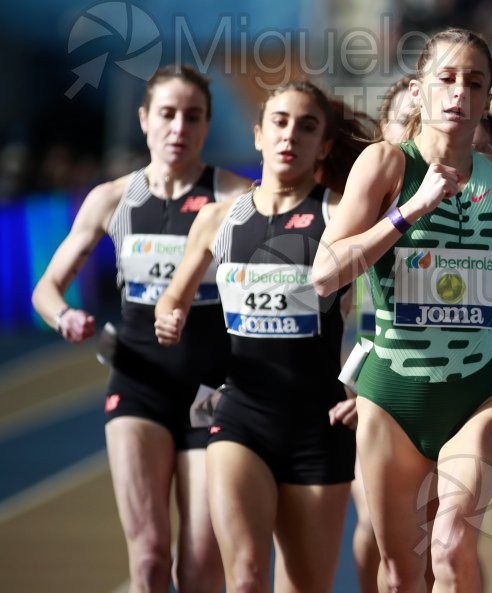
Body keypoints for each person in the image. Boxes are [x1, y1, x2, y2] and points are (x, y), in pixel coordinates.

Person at [311, 28, 492, 592]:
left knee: (452, 545)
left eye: (474, 83)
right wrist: (410, 211)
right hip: (393, 396)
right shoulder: (385, 164)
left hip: (478, 389)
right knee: (399, 573)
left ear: (486, 100)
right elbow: (324, 273)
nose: (460, 92)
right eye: (447, 79)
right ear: (420, 89)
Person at [31, 65, 250, 593]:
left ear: (206, 124)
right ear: (144, 119)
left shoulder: (235, 197)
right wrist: (65, 315)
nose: (179, 127)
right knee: (150, 561)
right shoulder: (112, 199)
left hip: (210, 394)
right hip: (137, 388)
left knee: (201, 568)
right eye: (168, 114)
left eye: (193, 117)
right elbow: (46, 287)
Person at [154, 80, 371, 593]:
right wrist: (170, 314)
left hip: (320, 424)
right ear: (258, 135)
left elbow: (382, 315)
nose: (290, 135)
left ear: (324, 146)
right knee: (247, 577)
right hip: (241, 418)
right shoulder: (218, 219)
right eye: (279, 122)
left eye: (307, 126)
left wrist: (366, 383)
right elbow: (173, 297)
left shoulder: (337, 216)